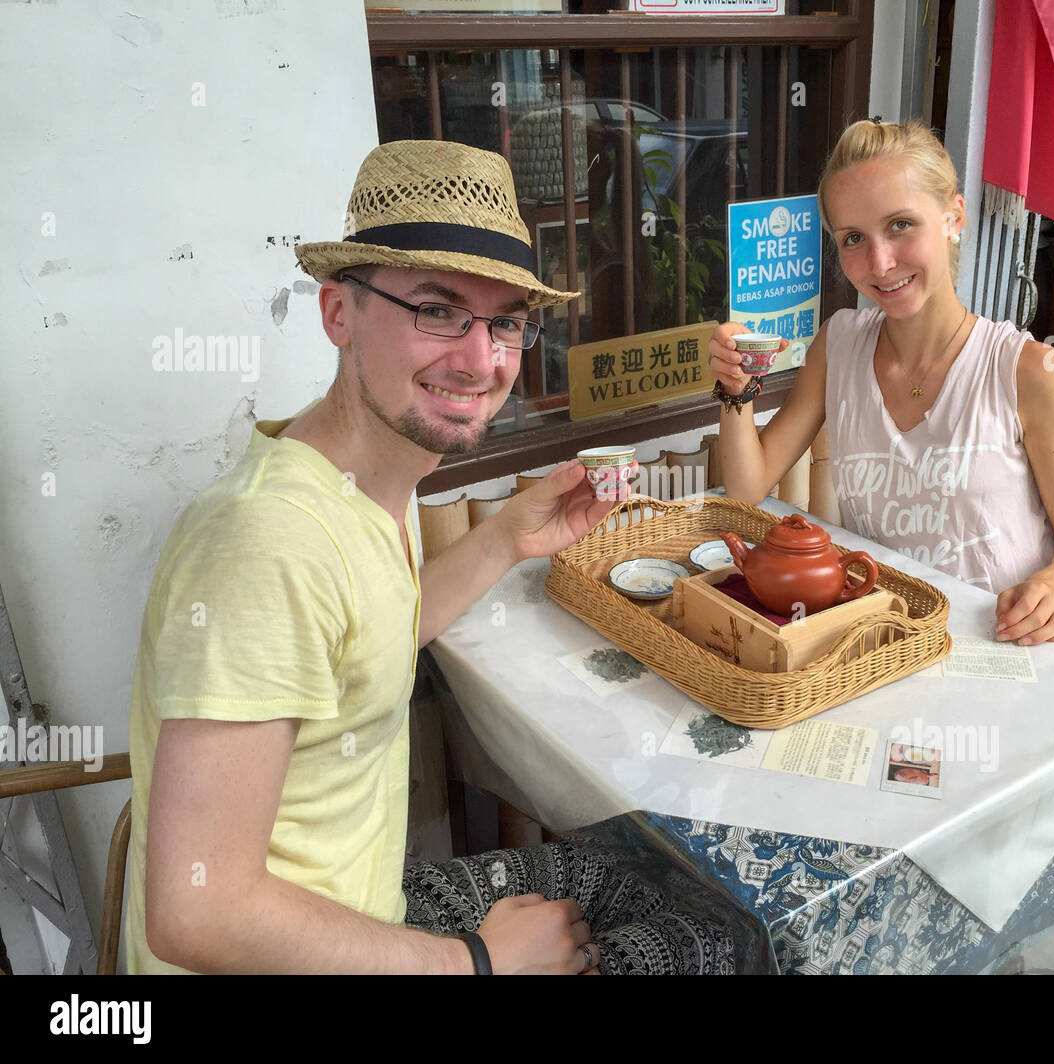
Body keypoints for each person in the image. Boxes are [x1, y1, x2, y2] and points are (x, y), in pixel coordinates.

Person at [125, 139, 735, 975]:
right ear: (339, 312)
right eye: (438, 310)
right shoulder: (265, 544)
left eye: (506, 323)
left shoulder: (365, 479)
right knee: (707, 941)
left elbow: (369, 635)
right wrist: (476, 963)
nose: (481, 360)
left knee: (650, 884)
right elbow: (197, 912)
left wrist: (506, 537)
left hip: (365, 912)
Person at [708, 120, 1054, 645]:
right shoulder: (841, 344)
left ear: (953, 217)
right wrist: (735, 389)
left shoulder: (1028, 369)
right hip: (901, 640)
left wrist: (1051, 588)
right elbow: (746, 488)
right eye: (853, 238)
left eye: (900, 225)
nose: (880, 263)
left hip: (1018, 642)